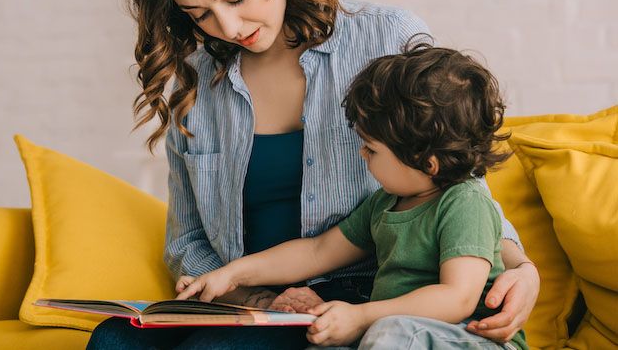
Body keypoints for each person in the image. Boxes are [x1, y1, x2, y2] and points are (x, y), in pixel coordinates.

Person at [87, 0, 539, 350]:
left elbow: (457, 179)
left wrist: (524, 271)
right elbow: (188, 243)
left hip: (359, 300)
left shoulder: (383, 37)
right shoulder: (195, 86)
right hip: (249, 304)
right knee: (113, 341)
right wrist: (254, 298)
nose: (228, 27)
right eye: (199, 14)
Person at [176, 42, 528, 349]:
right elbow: (316, 251)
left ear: (428, 163)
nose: (361, 155)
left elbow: (458, 298)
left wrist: (361, 317)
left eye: (372, 150)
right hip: (388, 333)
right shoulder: (384, 203)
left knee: (392, 335)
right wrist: (233, 274)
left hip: (469, 338)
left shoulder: (464, 203)